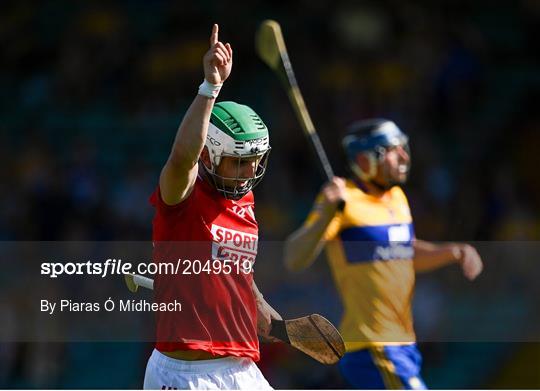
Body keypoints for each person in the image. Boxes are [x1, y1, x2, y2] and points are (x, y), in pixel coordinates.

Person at [284, 119, 483, 389]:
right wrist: (324, 217)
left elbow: (404, 252)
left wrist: (453, 252)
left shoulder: (397, 198)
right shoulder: (343, 201)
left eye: (404, 148)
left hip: (404, 344)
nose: (404, 156)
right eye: (393, 149)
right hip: (372, 347)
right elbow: (293, 258)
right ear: (366, 159)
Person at [143, 24, 280, 390]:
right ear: (209, 155)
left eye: (255, 160)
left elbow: (232, 267)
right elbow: (181, 158)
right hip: (186, 375)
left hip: (242, 369)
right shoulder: (181, 196)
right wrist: (210, 88)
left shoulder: (245, 201)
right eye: (238, 161)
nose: (250, 171)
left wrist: (258, 301)